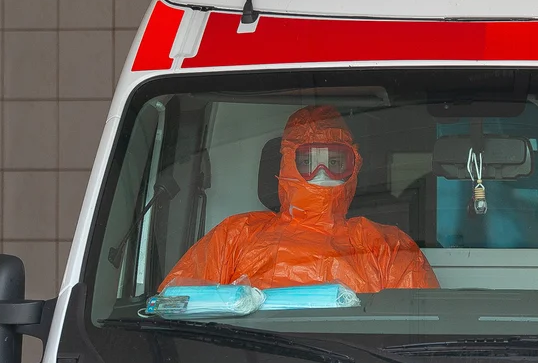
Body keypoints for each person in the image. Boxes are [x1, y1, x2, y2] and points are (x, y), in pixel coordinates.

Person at [161, 105, 439, 293]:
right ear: (286, 165)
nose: (322, 173)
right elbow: (178, 305)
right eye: (308, 161)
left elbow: (418, 326)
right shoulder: (236, 236)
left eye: (334, 161)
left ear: (354, 166)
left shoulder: (387, 247)